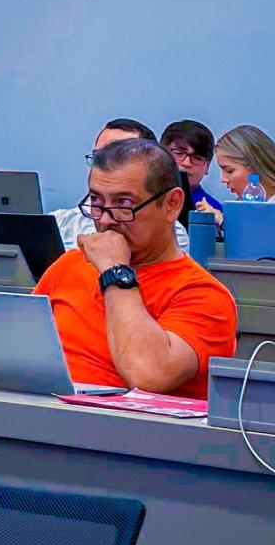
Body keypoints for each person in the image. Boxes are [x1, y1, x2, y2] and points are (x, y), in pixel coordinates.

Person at [35, 138, 237, 397]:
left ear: (172, 204)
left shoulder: (205, 296)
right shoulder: (70, 266)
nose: (105, 219)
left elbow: (147, 376)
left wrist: (115, 272)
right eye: (96, 201)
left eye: (123, 204)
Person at [54, 120, 188, 253]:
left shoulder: (172, 234)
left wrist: (113, 265)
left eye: (124, 202)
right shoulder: (65, 221)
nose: (104, 220)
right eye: (98, 157)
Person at [161, 120, 227, 217]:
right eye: (179, 153)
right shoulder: (143, 196)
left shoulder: (212, 211)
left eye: (197, 158)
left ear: (207, 166)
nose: (187, 163)